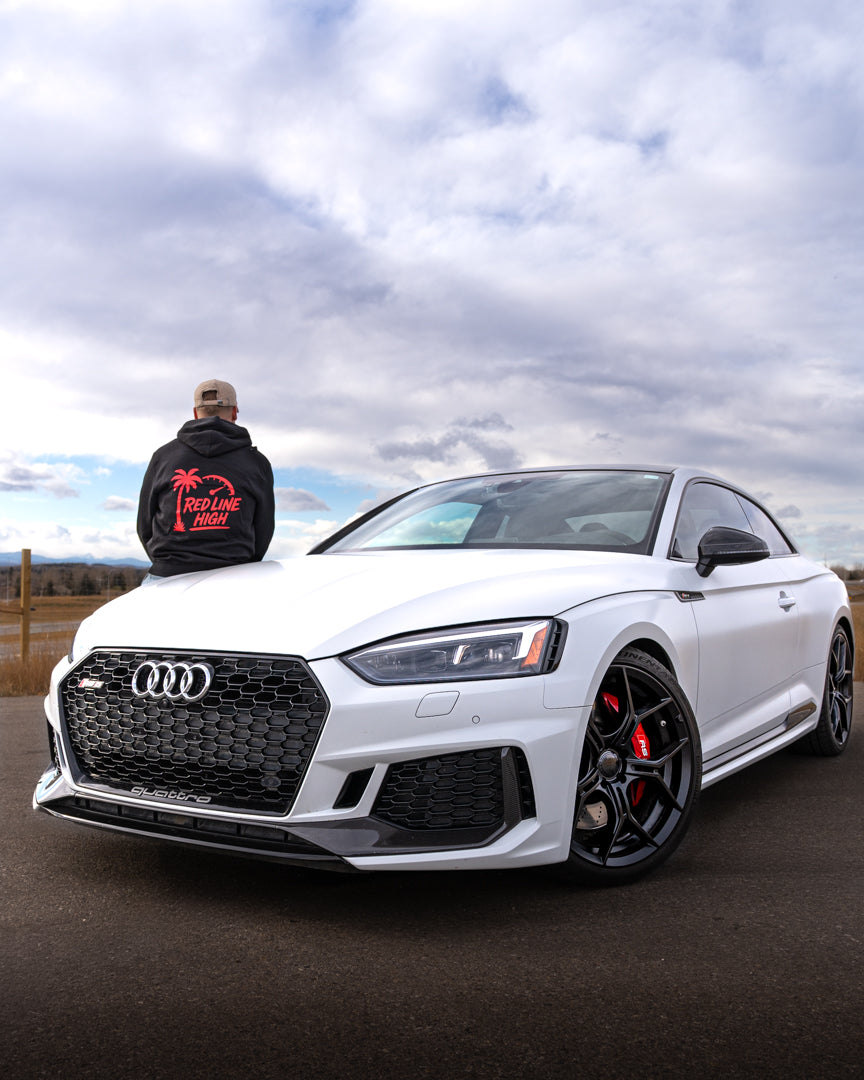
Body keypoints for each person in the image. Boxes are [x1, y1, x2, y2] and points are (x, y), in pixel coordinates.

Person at [137, 379, 275, 579]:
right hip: (236, 577)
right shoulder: (257, 463)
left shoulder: (164, 456)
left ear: (195, 413)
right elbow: (264, 529)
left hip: (166, 576)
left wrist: (165, 563)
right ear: (235, 412)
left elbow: (145, 523)